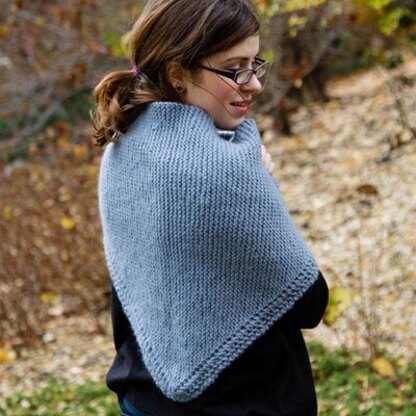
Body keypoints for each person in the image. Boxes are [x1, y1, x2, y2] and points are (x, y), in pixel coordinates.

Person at [92, 0, 329, 415]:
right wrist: (259, 184)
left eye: (254, 64)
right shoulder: (224, 171)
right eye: (234, 68)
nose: (253, 84)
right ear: (177, 74)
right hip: (243, 403)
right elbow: (310, 302)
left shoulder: (123, 146)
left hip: (140, 397)